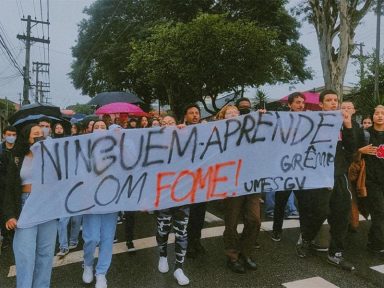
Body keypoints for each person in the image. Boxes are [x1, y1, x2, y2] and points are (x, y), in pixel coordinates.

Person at [295, 90, 357, 271]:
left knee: (341, 215)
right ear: (321, 104)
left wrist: (348, 125)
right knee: (319, 211)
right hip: (318, 176)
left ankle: (335, 253)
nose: (332, 103)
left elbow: (352, 149)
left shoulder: (344, 123)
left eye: (335, 100)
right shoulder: (312, 123)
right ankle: (306, 238)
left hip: (338, 176)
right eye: (328, 100)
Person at [3, 123, 58, 287]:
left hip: (47, 205)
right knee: (25, 255)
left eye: (42, 133)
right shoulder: (17, 157)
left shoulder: (52, 156)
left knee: (46, 253)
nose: (40, 135)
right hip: (25, 204)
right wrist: (9, 215)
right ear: (27, 137)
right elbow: (9, 189)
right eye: (35, 133)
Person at [218, 105, 260, 274]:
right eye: (229, 113)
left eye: (236, 112)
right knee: (232, 223)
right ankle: (232, 256)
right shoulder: (218, 134)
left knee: (254, 220)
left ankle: (245, 252)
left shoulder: (250, 132)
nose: (234, 114)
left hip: (251, 182)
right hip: (231, 183)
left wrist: (262, 119)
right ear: (222, 118)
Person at [82, 120, 118, 288]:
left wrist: (121, 138)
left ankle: (101, 272)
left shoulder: (115, 148)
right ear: (90, 129)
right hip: (91, 200)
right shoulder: (83, 148)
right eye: (96, 127)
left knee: (107, 238)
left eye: (103, 127)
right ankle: (88, 264)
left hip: (111, 199)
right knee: (91, 238)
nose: (100, 129)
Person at [156, 115, 190, 285]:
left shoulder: (185, 142)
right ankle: (162, 256)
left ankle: (179, 268)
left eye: (171, 123)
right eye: (164, 123)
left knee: (181, 232)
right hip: (163, 196)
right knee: (163, 230)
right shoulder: (153, 145)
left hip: (182, 196)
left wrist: (186, 134)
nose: (168, 126)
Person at [270, 93, 305, 241]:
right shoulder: (281, 120)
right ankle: (276, 230)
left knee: (304, 203)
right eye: (297, 102)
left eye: (302, 102)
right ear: (289, 105)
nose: (301, 105)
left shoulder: (308, 120)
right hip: (285, 168)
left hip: (302, 169)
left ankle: (304, 232)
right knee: (281, 201)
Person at [359, 105, 384, 254]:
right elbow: (354, 155)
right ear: (372, 116)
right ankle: (378, 245)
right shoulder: (365, 134)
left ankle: (373, 240)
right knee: (379, 212)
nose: (380, 116)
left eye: (383, 113)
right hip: (372, 180)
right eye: (377, 113)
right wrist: (359, 151)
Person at [184, 104, 207, 259]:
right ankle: (188, 243)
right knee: (189, 214)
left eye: (196, 113)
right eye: (191, 113)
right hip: (186, 181)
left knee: (200, 214)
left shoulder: (206, 131)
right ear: (186, 117)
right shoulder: (180, 132)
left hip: (203, 180)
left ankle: (196, 240)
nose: (194, 115)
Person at [0, 125, 17, 251]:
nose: (11, 137)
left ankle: (13, 234)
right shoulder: (0, 150)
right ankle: (6, 237)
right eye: (9, 135)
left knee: (14, 209)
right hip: (2, 185)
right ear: (4, 135)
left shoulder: (19, 150)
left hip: (14, 186)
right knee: (3, 211)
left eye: (13, 135)